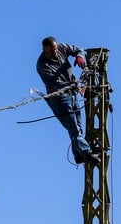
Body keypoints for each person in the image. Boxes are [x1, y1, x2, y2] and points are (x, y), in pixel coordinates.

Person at [36, 36, 97, 164]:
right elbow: (55, 83)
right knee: (73, 127)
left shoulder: (62, 48)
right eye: (51, 51)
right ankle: (86, 153)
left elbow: (77, 49)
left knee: (78, 125)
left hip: (72, 93)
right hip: (59, 99)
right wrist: (71, 85)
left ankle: (78, 154)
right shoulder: (42, 65)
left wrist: (79, 56)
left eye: (55, 49)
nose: (55, 52)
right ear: (44, 50)